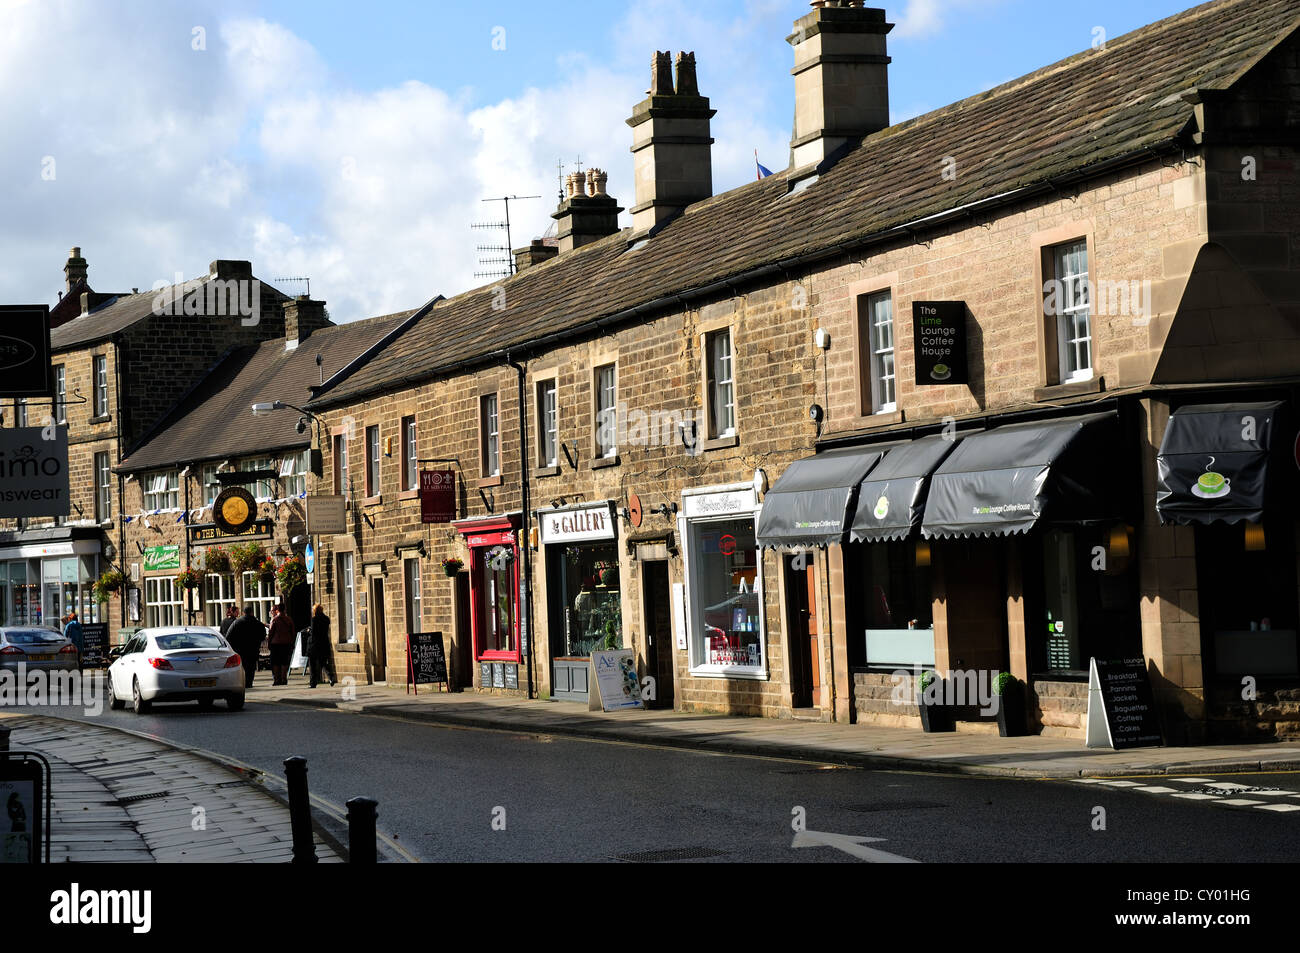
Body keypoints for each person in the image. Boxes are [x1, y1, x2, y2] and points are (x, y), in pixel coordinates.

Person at [225, 605, 267, 689]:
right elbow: (263, 636)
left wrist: (234, 646)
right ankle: (249, 683)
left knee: (242, 667)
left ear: (243, 613)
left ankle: (243, 683)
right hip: (253, 649)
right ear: (252, 612)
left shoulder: (237, 622)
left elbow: (228, 636)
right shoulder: (258, 623)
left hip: (240, 650)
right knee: (251, 667)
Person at [308, 603, 337, 688]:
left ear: (315, 611)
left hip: (315, 644)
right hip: (324, 643)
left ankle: (313, 683)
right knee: (323, 663)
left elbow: (313, 633)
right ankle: (331, 677)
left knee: (312, 664)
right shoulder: (326, 619)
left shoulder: (314, 619)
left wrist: (309, 631)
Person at [267, 603, 296, 686]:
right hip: (286, 643)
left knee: (275, 663)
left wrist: (269, 643)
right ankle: (284, 679)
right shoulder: (289, 619)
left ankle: (277, 680)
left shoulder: (274, 620)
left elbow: (271, 632)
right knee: (284, 662)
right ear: (285, 609)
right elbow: (293, 632)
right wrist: (292, 642)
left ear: (277, 610)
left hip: (276, 644)